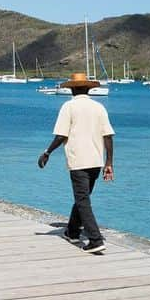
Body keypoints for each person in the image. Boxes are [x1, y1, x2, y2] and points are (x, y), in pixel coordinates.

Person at [38, 72, 115, 254]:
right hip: (96, 161)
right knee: (83, 198)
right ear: (88, 89)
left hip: (79, 160)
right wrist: (109, 162)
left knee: (82, 200)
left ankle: (95, 240)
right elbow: (108, 136)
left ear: (72, 89)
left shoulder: (69, 107)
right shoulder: (99, 107)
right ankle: (72, 232)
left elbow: (61, 135)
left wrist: (47, 152)